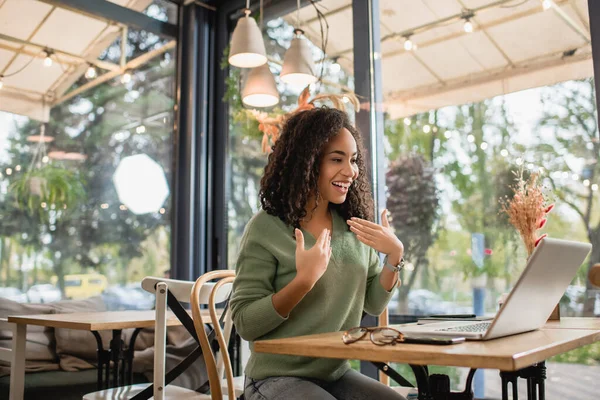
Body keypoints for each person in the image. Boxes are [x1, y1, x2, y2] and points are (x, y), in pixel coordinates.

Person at [230, 107, 406, 400]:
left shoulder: (354, 227)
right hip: (274, 377)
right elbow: (246, 323)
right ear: (307, 162)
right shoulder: (267, 227)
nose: (350, 171)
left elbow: (374, 303)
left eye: (353, 160)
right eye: (336, 159)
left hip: (334, 374)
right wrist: (303, 281)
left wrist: (394, 256)